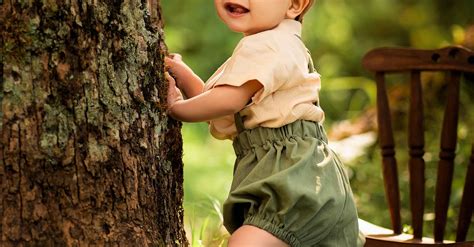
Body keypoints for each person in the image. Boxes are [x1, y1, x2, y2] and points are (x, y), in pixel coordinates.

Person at [165, 0, 363, 246]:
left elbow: (227, 101)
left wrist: (175, 108)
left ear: (295, 5)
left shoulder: (267, 45)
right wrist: (184, 77)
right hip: (303, 176)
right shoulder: (279, 44)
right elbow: (219, 107)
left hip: (292, 180)